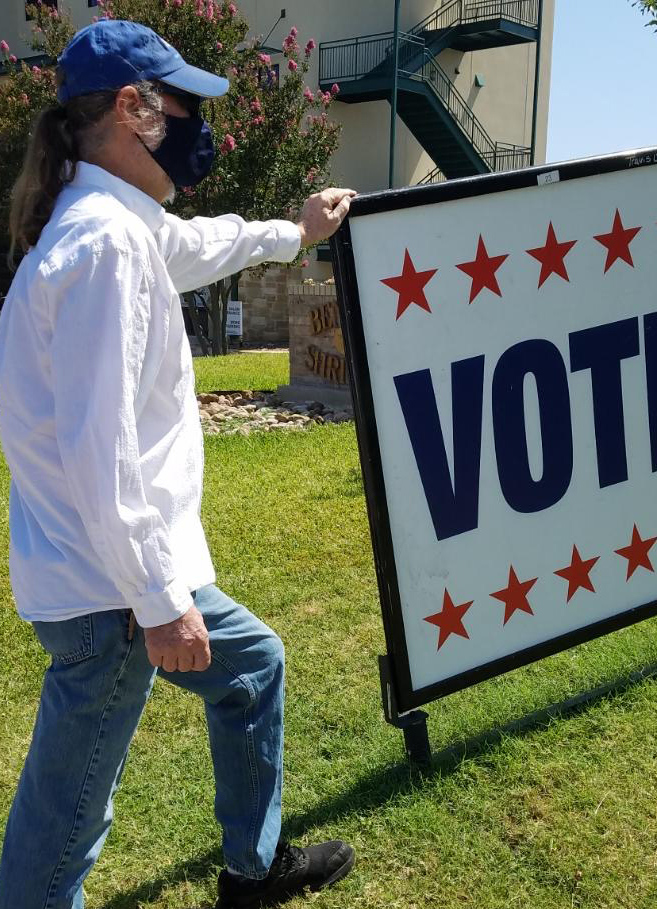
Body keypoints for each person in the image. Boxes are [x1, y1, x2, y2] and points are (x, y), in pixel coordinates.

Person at [0, 20, 356, 909]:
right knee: (63, 830)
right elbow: (101, 450)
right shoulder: (104, 246)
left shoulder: (118, 227)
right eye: (185, 105)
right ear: (132, 108)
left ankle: (253, 865)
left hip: (107, 576)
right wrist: (159, 606)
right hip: (114, 594)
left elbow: (201, 245)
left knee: (254, 664)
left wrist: (295, 229)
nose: (198, 125)